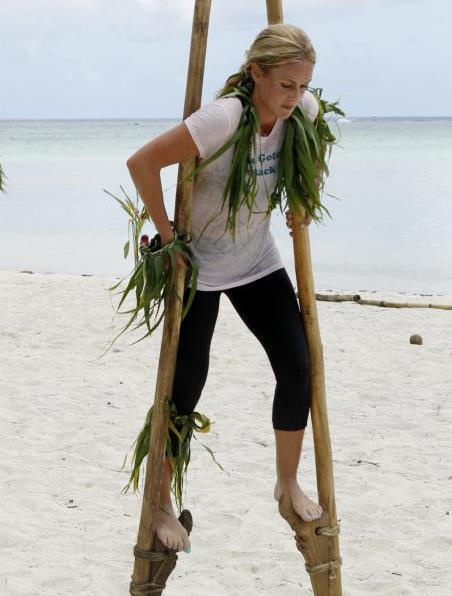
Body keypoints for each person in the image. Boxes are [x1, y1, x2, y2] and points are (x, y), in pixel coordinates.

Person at [126, 24, 325, 554]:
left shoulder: (300, 114)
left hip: (257, 259)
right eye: (286, 85)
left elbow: (316, 147)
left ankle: (286, 484)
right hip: (202, 268)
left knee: (298, 365)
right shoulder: (222, 119)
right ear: (256, 73)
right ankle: (161, 502)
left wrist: (305, 193)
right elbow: (141, 163)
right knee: (184, 388)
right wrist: (169, 239)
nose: (295, 97)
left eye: (303, 85)